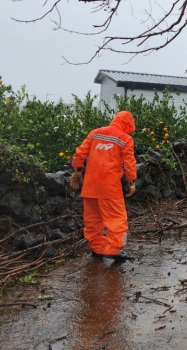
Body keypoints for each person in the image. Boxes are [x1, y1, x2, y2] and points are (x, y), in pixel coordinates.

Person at [70, 110, 137, 262]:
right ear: (128, 124)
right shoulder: (125, 138)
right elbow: (129, 162)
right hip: (110, 188)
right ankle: (112, 250)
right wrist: (131, 182)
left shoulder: (95, 133)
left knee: (92, 220)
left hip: (90, 186)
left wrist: (78, 171)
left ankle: (97, 249)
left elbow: (79, 154)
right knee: (117, 219)